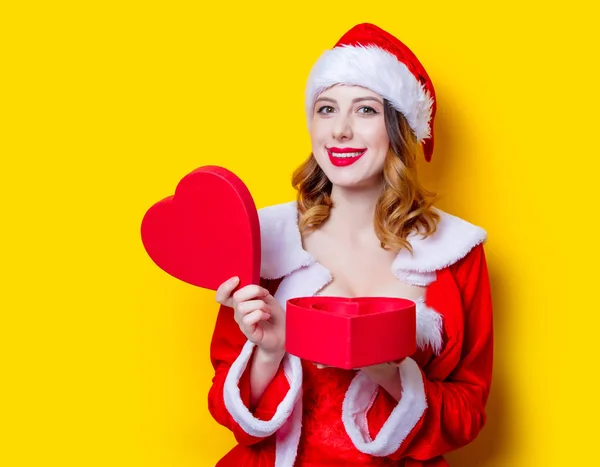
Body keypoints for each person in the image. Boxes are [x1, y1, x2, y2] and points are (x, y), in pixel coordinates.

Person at [207, 23, 493, 467]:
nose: (340, 130)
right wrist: (269, 349)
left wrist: (387, 370)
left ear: (398, 128)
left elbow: (467, 413)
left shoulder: (456, 253)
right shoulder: (264, 241)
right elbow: (232, 418)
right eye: (326, 109)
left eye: (364, 110)